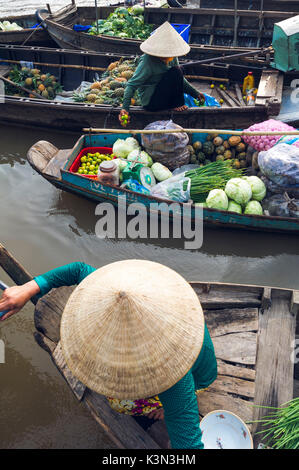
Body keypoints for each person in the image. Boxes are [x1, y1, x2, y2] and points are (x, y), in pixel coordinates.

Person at [0, 259, 217, 449]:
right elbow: (78, 269)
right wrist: (28, 288)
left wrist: (169, 408)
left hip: (198, 379)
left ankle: (159, 405)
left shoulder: (173, 377)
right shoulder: (119, 290)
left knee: (121, 402)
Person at [118, 22, 205, 126]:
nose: (167, 59)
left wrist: (195, 94)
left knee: (178, 70)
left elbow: (179, 79)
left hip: (165, 96)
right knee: (176, 70)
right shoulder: (147, 61)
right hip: (152, 102)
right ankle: (177, 104)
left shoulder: (172, 56)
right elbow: (131, 85)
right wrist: (125, 108)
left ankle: (176, 104)